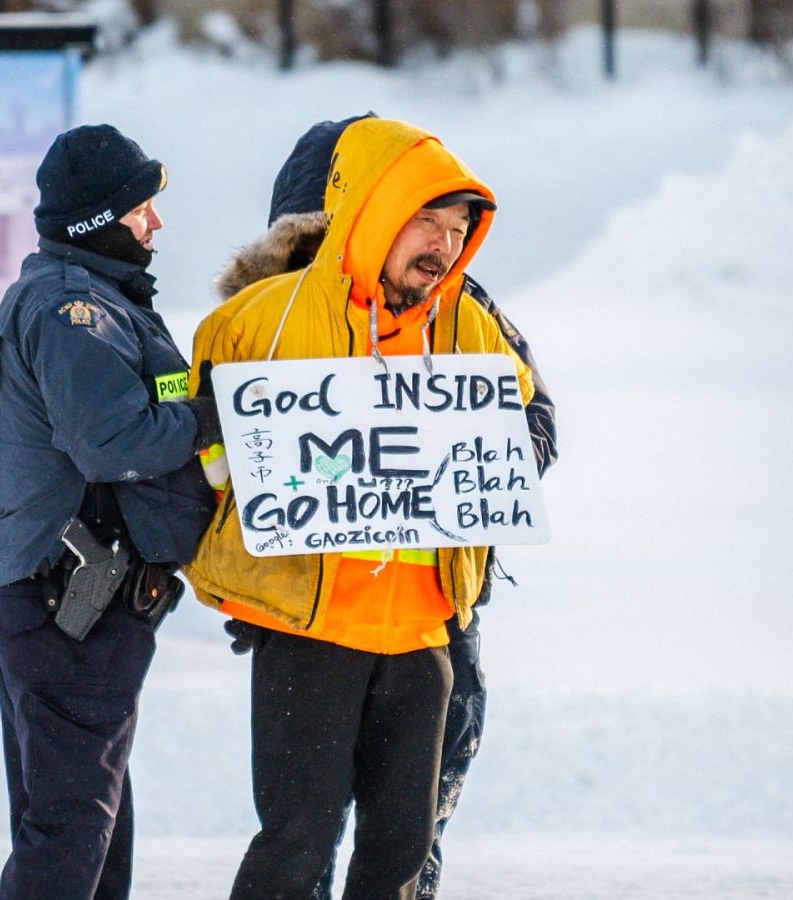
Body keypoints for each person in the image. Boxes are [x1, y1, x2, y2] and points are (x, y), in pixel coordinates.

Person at [186, 116, 533, 899]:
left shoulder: (472, 326)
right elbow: (198, 470)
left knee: (400, 863)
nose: (442, 244)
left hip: (424, 638)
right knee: (295, 850)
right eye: (425, 220)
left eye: (457, 229)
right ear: (375, 211)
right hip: (308, 631)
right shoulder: (256, 321)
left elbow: (519, 431)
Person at [0, 124, 217, 900]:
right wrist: (214, 416)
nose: (155, 223)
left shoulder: (95, 301)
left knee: (89, 833)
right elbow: (112, 441)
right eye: (142, 207)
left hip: (74, 608)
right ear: (96, 220)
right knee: (71, 838)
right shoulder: (71, 308)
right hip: (67, 608)